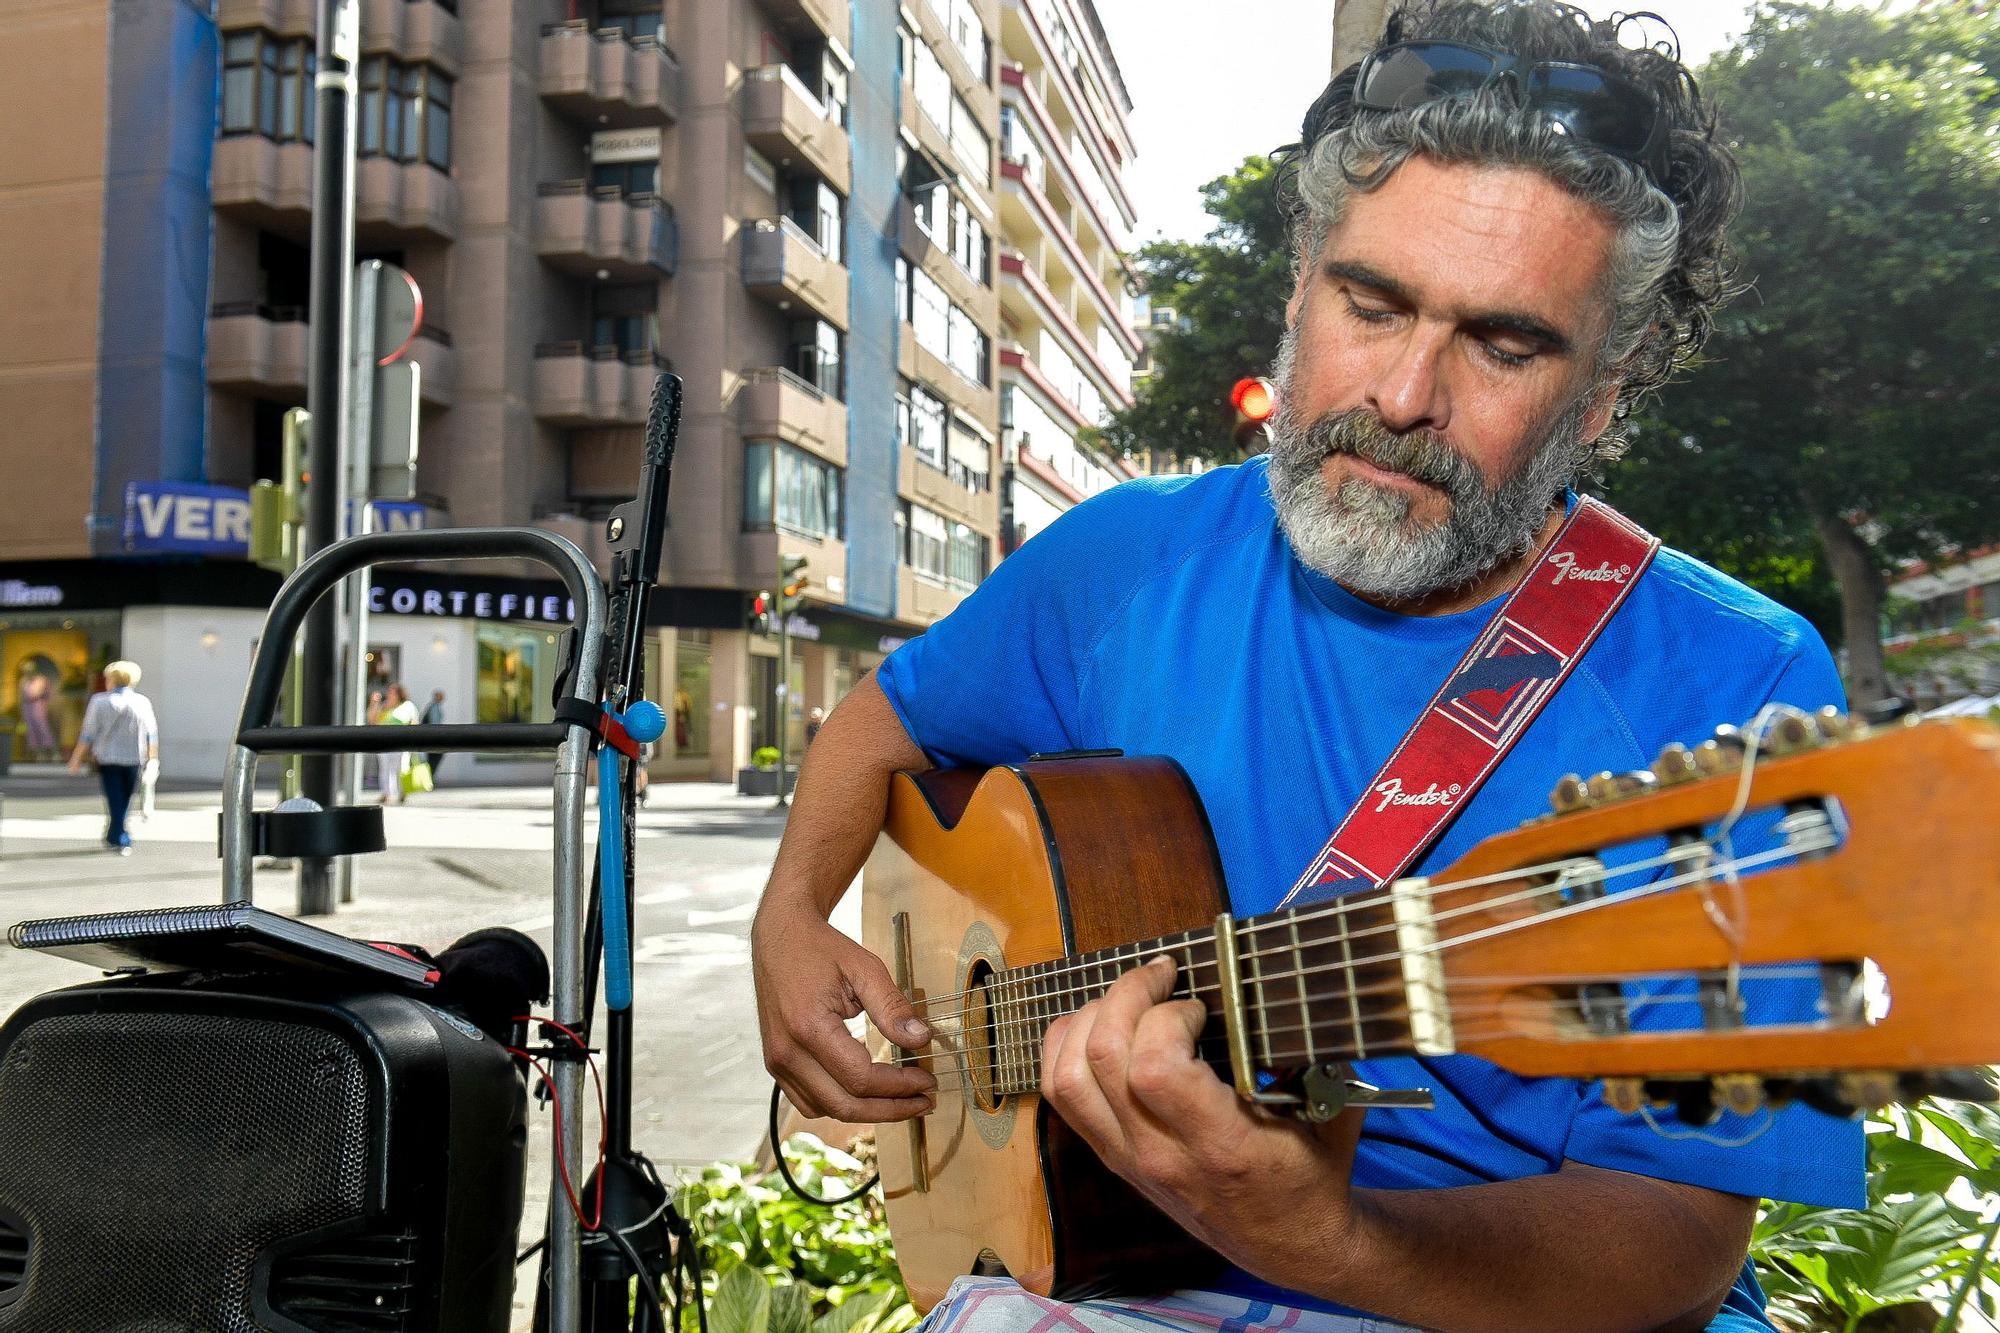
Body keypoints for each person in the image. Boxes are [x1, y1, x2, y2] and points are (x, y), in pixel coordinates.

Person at [751, 4, 1864, 1331]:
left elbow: (1674, 1242)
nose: (1401, 394)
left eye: (1503, 345)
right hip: (1113, 1273)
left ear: (1604, 390)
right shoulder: (1123, 559)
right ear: (1299, 289)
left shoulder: (1734, 687)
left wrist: (1331, 1241)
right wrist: (790, 914)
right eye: (1371, 301)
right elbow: (887, 716)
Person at [66, 659, 158, 855]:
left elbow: (87, 733)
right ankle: (120, 836)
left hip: (107, 758)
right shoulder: (142, 702)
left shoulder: (99, 701)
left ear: (112, 679)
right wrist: (153, 758)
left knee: (115, 798)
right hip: (134, 758)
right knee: (125, 798)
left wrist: (76, 757)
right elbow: (152, 734)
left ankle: (115, 835)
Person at [375, 683, 419, 804]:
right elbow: (374, 720)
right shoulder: (384, 706)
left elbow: (414, 722)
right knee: (385, 769)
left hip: (402, 742)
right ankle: (387, 793)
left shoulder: (408, 706)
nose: (389, 694)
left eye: (392, 692)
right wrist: (375, 704)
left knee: (402, 767)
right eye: (389, 692)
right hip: (384, 742)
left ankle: (403, 792)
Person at [421, 688, 447, 781]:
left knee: (432, 757)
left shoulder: (433, 706)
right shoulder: (434, 707)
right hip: (432, 737)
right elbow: (434, 723)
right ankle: (429, 777)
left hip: (430, 736)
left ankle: (429, 776)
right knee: (435, 756)